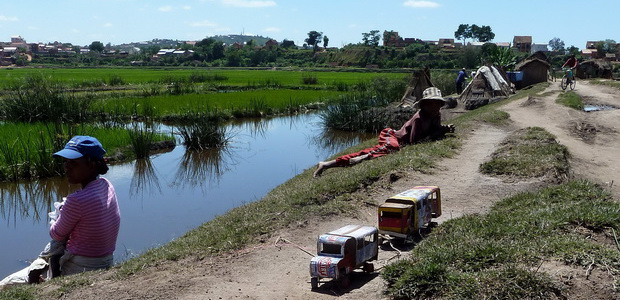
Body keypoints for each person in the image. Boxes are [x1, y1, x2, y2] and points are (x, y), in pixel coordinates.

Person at [313, 87, 455, 177]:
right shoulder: (419, 118)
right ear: (424, 104)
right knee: (391, 147)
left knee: (379, 150)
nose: (435, 106)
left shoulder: (436, 115)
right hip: (391, 136)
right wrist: (440, 133)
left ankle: (327, 164)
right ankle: (366, 156)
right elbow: (414, 141)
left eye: (438, 103)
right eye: (432, 103)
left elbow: (435, 130)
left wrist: (444, 129)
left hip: (397, 142)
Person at [50, 135, 121, 276]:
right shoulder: (107, 185)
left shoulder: (76, 200)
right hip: (106, 260)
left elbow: (56, 234)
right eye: (65, 162)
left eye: (74, 163)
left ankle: (52, 277)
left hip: (80, 267)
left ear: (92, 164)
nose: (67, 168)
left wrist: (55, 217)